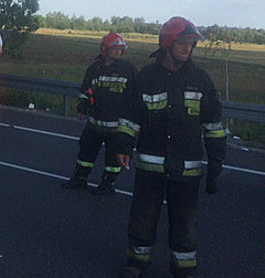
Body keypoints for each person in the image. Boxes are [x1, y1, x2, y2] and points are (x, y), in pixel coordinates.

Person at [114, 17, 226, 278]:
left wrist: (216, 160)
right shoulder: (146, 78)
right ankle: (137, 263)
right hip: (150, 166)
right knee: (143, 215)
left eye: (191, 44)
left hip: (187, 168)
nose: (188, 48)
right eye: (183, 43)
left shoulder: (201, 80)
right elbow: (130, 116)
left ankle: (184, 268)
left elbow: (213, 124)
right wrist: (122, 145)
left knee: (185, 221)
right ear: (167, 44)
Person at [61, 32, 137, 194]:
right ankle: (80, 179)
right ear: (105, 49)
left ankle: (108, 184)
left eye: (120, 49)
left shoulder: (128, 70)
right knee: (86, 151)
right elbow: (86, 89)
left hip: (116, 126)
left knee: (112, 157)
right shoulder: (95, 68)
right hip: (95, 122)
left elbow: (134, 97)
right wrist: (82, 106)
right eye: (114, 48)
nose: (118, 52)